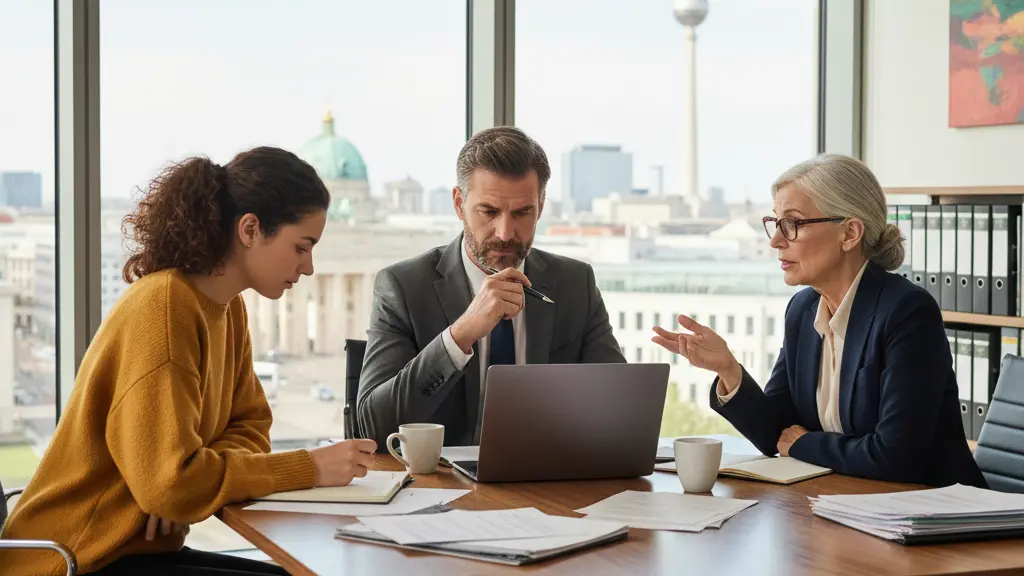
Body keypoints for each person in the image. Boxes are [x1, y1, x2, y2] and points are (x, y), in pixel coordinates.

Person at [0, 147, 378, 576]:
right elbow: (171, 486)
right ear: (250, 229)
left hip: (133, 552)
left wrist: (190, 485)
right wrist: (307, 468)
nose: (308, 267)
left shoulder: (227, 309)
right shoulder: (164, 307)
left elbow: (250, 427)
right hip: (74, 560)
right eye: (301, 247)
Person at [651, 154, 986, 488]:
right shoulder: (803, 309)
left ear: (850, 233)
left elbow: (897, 456)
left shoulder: (907, 312)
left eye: (793, 224)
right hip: (848, 503)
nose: (775, 240)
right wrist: (729, 371)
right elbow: (776, 434)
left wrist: (803, 443)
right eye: (776, 223)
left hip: (935, 518)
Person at [357, 126, 625, 447]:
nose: (504, 232)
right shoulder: (403, 287)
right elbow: (372, 424)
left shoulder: (574, 283)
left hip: (550, 483)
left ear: (540, 206)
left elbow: (619, 409)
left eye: (523, 213)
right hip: (445, 486)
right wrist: (460, 335)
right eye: (489, 211)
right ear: (459, 204)